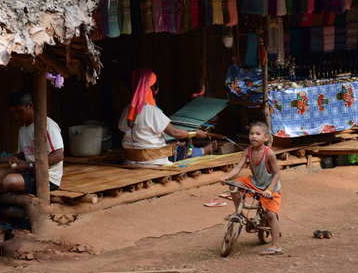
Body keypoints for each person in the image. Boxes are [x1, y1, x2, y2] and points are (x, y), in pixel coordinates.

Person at [0, 90, 64, 238]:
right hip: (29, 172)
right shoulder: (23, 129)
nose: (17, 116)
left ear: (30, 106)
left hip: (48, 177)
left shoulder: (47, 125)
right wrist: (15, 159)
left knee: (9, 181)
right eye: (13, 113)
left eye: (19, 112)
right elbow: (21, 154)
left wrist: (30, 165)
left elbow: (58, 155)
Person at [118, 68, 217, 166]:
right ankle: (204, 150)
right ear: (153, 89)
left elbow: (124, 132)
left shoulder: (127, 110)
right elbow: (175, 132)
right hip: (153, 161)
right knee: (182, 149)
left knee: (173, 145)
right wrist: (195, 133)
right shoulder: (153, 111)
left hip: (130, 160)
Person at [220, 120, 282, 255]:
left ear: (266, 138)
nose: (254, 136)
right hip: (255, 182)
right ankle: (238, 211)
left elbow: (277, 173)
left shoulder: (269, 153)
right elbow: (238, 167)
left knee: (271, 214)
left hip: (270, 187)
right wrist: (227, 177)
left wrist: (269, 190)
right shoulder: (247, 151)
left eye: (258, 134)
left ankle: (276, 245)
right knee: (235, 184)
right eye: (251, 133)